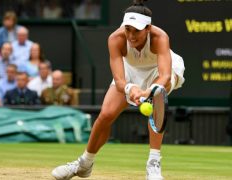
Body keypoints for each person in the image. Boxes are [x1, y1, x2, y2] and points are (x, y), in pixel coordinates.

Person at [51, 1, 185, 180]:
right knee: (106, 114)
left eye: (136, 30)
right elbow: (120, 81)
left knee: (157, 95)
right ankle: (84, 164)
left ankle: (153, 164)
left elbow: (165, 76)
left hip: (161, 71)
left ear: (148, 28)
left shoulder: (160, 37)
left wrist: (149, 92)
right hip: (130, 72)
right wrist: (131, 88)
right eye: (127, 29)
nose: (130, 35)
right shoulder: (116, 39)